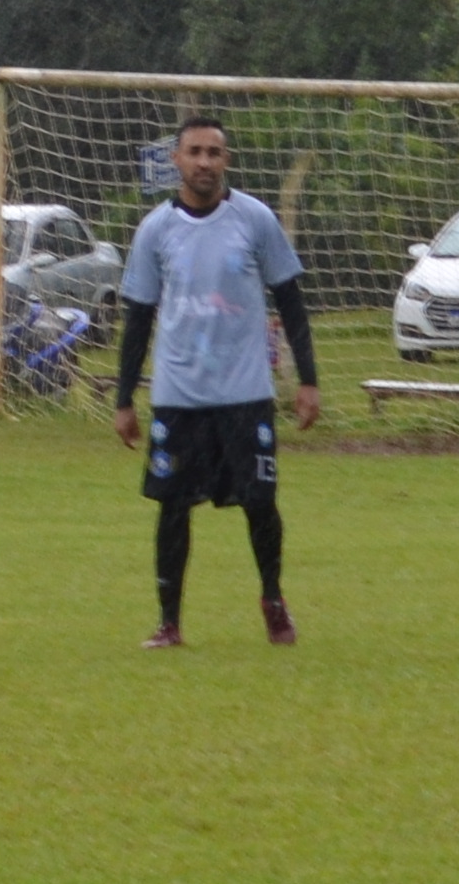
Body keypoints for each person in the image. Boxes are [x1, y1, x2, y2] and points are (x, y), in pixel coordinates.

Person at [112, 110, 323, 645]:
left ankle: (273, 600)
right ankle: (169, 622)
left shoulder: (254, 220)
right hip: (179, 394)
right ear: (177, 160)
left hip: (245, 392)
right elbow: (138, 317)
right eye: (195, 152)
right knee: (172, 506)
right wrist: (123, 400)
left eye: (215, 153)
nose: (205, 162)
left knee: (259, 501)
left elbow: (292, 303)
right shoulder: (156, 229)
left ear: (226, 159)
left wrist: (308, 380)